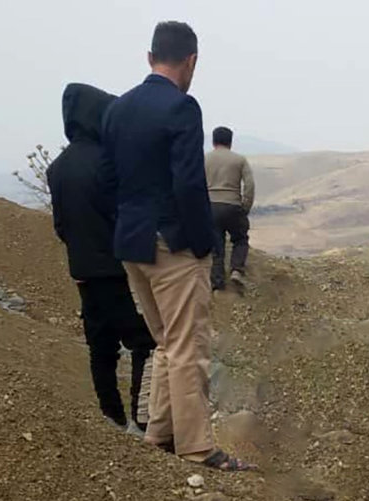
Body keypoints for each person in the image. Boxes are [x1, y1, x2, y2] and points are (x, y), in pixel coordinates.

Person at [102, 21, 253, 471]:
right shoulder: (182, 108)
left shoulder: (116, 110)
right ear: (191, 62)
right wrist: (202, 243)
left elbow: (107, 181)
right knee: (189, 346)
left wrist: (129, 225)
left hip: (131, 244)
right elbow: (189, 184)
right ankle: (198, 448)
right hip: (172, 244)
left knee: (167, 342)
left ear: (150, 58)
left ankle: (159, 434)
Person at [48, 83, 155, 435]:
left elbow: (61, 226)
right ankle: (141, 423)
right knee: (144, 342)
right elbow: (123, 216)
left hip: (82, 272)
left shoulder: (57, 168)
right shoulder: (107, 162)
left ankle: (111, 418)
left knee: (101, 346)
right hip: (115, 269)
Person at [204, 126, 255, 290]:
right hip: (233, 205)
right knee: (240, 239)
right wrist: (245, 207)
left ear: (213, 141)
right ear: (231, 142)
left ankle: (217, 284)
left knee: (216, 245)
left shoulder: (204, 159)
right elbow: (249, 185)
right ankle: (236, 270)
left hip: (210, 207)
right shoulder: (239, 160)